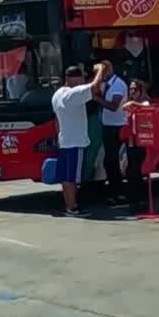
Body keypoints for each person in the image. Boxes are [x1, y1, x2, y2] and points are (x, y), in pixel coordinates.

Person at [52, 62, 106, 216]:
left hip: (64, 140)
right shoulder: (73, 94)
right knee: (72, 178)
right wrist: (101, 69)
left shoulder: (58, 94)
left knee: (66, 178)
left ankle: (69, 206)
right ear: (75, 79)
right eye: (81, 78)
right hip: (75, 142)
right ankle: (72, 207)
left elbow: (56, 119)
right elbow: (95, 87)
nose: (83, 81)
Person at [99, 60, 128, 204]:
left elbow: (113, 106)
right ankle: (114, 191)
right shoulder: (106, 84)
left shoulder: (118, 85)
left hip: (117, 126)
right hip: (107, 125)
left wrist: (97, 99)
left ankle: (118, 192)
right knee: (109, 161)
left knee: (112, 160)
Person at [122, 79, 151, 211]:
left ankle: (140, 200)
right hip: (130, 141)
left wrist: (133, 103)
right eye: (130, 89)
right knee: (131, 171)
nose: (132, 91)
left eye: (134, 89)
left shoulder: (143, 102)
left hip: (141, 143)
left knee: (137, 171)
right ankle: (134, 200)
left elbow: (146, 108)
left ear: (140, 91)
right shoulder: (129, 105)